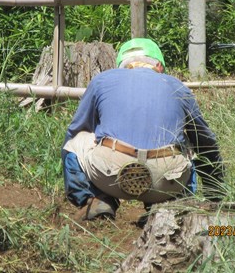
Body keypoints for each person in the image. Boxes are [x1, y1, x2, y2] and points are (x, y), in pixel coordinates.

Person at [61, 38, 225, 221]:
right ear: (159, 66)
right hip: (167, 180)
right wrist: (215, 194)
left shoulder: (102, 80)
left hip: (109, 174)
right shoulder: (178, 86)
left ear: (121, 66)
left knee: (76, 140)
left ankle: (96, 199)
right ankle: (170, 206)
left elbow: (76, 129)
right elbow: (206, 142)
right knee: (189, 145)